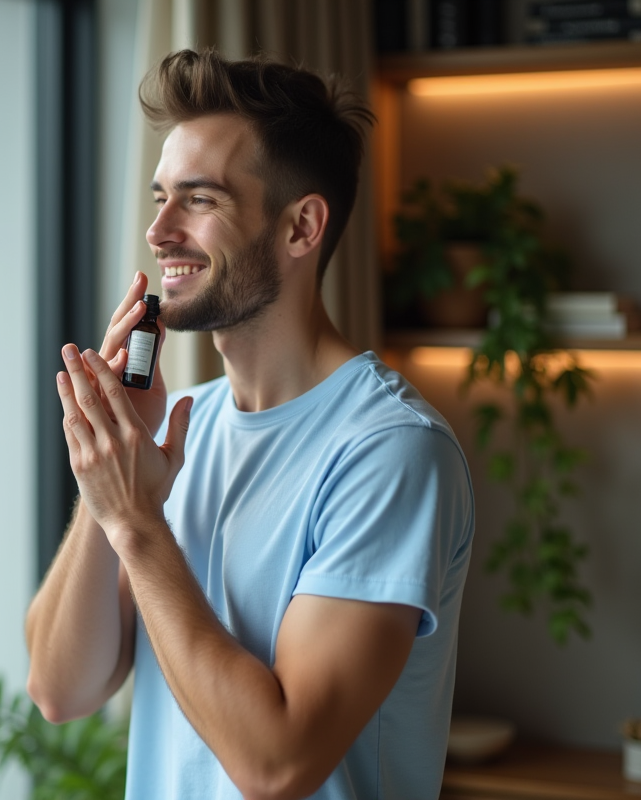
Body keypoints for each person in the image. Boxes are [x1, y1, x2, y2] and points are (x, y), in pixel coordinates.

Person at [25, 48, 474, 800]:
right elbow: (59, 689)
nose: (160, 230)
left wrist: (138, 524)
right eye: (160, 196)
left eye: (199, 200)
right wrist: (109, 482)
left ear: (302, 228)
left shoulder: (389, 451)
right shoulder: (180, 427)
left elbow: (278, 763)